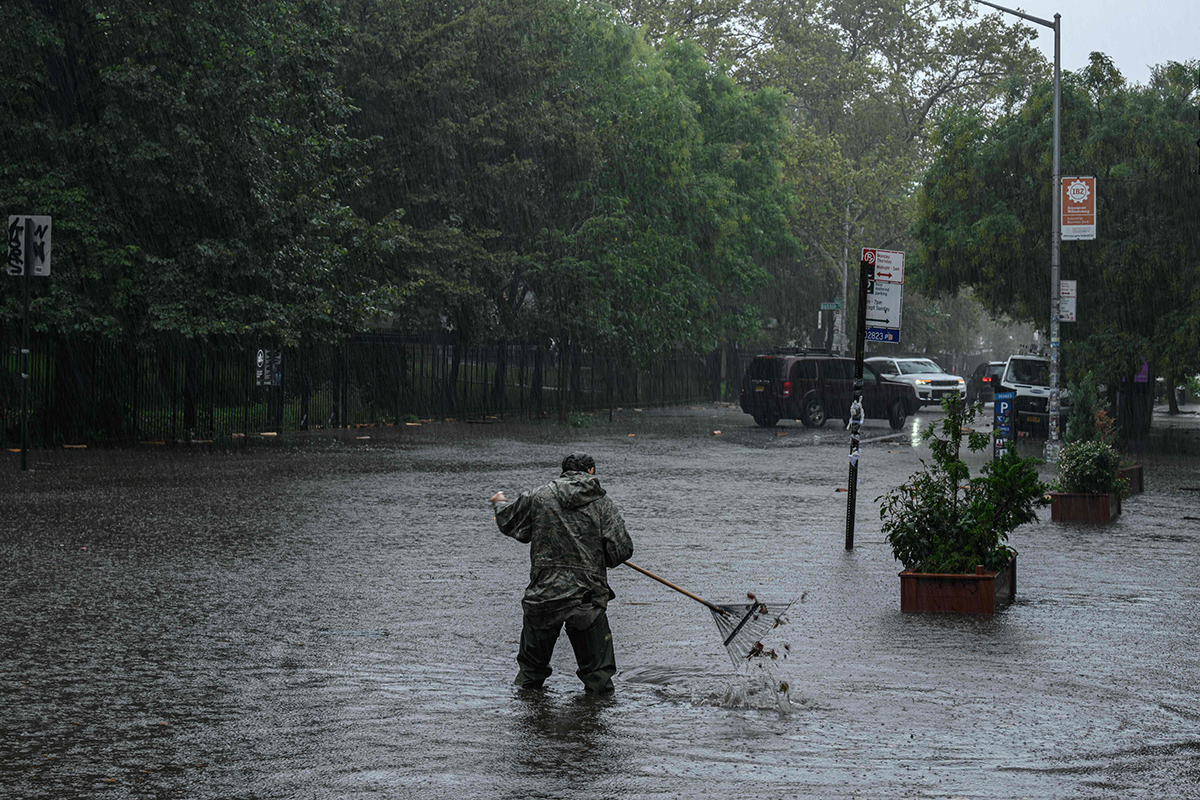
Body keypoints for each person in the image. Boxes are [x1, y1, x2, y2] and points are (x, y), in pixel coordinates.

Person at [489, 451, 633, 694]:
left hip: (543, 596)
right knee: (598, 681)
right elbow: (621, 550)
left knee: (530, 676)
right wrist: (599, 552)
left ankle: (529, 726)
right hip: (586, 598)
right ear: (591, 472)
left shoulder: (539, 496)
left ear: (563, 472)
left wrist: (499, 501)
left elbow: (510, 523)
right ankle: (596, 726)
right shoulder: (602, 504)